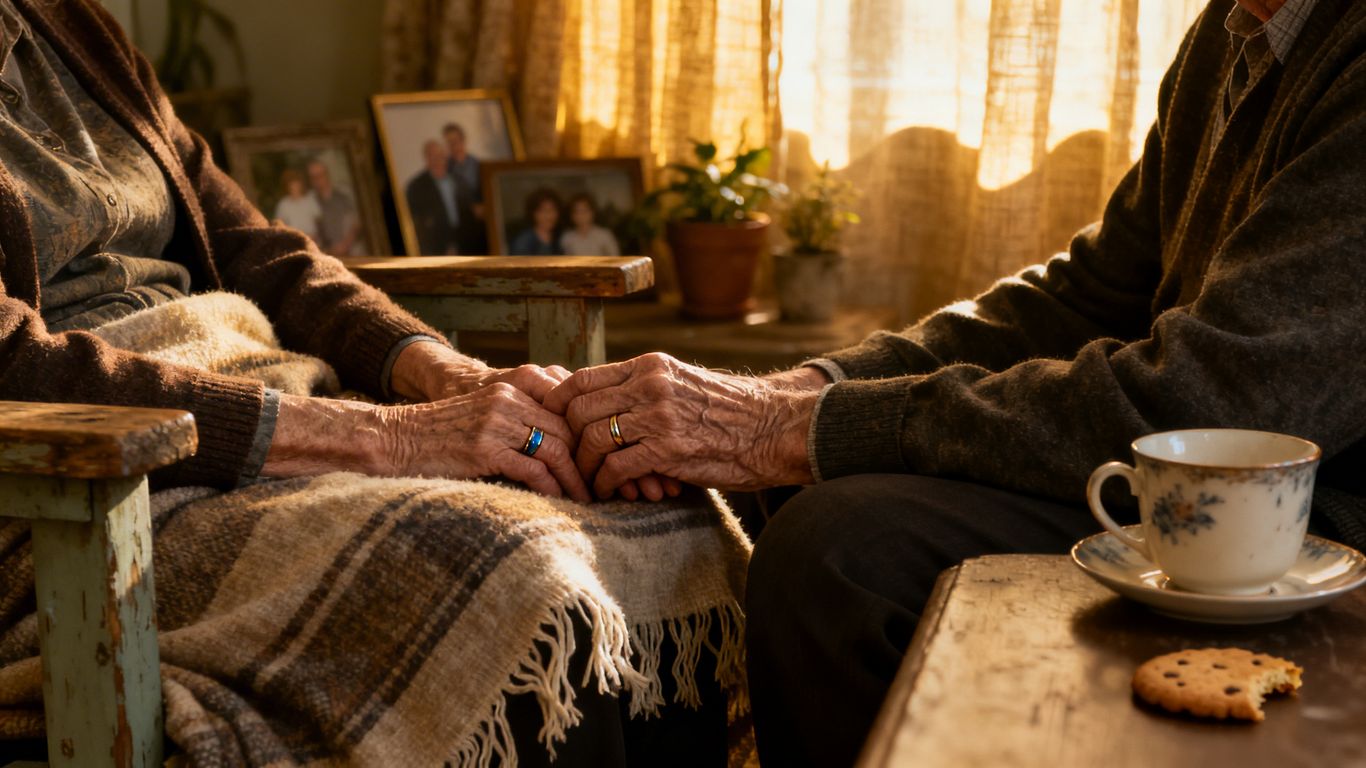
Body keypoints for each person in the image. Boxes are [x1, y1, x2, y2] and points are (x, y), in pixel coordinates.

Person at [544, 0, 1366, 765]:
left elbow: (1215, 401)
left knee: (837, 552)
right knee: (793, 494)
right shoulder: (1234, 30)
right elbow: (1085, 296)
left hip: (1316, 516)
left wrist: (793, 428)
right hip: (1201, 479)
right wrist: (807, 387)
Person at [0, 2, 741, 765]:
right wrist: (394, 437)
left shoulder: (70, 23)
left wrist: (454, 378)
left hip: (267, 393)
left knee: (656, 507)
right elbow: (13, 365)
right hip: (81, 480)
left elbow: (262, 251)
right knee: (503, 575)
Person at [404, 139, 460, 255]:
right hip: (435, 248)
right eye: (432, 156)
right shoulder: (416, 187)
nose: (437, 160)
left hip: (463, 241)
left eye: (440, 155)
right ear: (426, 159)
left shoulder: (457, 180)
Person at [443, 122, 489, 253]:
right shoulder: (446, 169)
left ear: (463, 140)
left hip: (483, 225)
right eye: (449, 142)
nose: (453, 146)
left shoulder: (478, 165)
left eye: (455, 141)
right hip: (462, 228)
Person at [307, 158, 365, 256]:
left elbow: (357, 222)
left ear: (327, 174)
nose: (318, 180)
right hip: (328, 255)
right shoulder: (310, 202)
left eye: (320, 175)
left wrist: (345, 245)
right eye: (314, 177)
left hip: (354, 251)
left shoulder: (344, 195)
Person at [509, 188, 565, 256]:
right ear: (533, 213)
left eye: (552, 210)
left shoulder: (561, 237)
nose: (549, 216)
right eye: (543, 211)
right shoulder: (524, 241)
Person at [271, 167, 321, 241]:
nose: (295, 188)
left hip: (313, 240)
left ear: (301, 184)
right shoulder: (283, 205)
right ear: (287, 187)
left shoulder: (310, 200)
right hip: (294, 241)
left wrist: (316, 236)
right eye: (291, 185)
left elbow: (319, 222)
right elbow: (279, 225)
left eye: (297, 184)